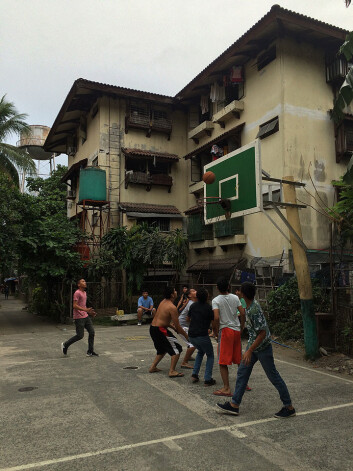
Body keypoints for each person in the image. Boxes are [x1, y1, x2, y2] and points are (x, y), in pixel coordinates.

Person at [216, 282, 296, 418]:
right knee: (242, 372)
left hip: (262, 348)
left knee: (273, 376)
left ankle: (289, 407)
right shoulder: (249, 305)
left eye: (240, 291)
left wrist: (249, 350)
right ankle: (234, 405)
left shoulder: (254, 310)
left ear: (244, 294)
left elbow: (263, 333)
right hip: (253, 347)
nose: (238, 293)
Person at [212, 277, 246, 397]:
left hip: (225, 330)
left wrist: (215, 331)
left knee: (222, 361)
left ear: (217, 288)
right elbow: (242, 313)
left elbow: (216, 317)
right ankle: (244, 383)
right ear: (228, 287)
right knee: (238, 359)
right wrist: (241, 326)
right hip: (236, 330)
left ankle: (226, 388)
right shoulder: (235, 297)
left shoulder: (216, 300)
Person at [149, 285, 188, 378]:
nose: (176, 292)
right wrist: (187, 336)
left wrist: (173, 328)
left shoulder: (163, 302)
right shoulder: (172, 307)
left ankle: (153, 367)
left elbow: (163, 319)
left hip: (153, 328)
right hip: (160, 330)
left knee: (162, 349)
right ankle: (172, 371)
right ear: (172, 295)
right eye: (174, 291)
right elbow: (178, 326)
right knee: (177, 349)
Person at [61, 279, 98, 357]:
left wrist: (90, 312)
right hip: (78, 317)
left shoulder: (84, 293)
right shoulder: (77, 293)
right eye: (83, 281)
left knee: (92, 332)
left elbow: (83, 306)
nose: (85, 282)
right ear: (79, 284)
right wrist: (85, 310)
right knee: (80, 335)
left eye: (85, 281)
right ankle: (65, 344)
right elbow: (74, 305)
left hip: (85, 316)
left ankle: (90, 351)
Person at [187, 287, 216, 386]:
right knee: (210, 355)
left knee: (200, 351)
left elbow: (188, 319)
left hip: (191, 335)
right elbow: (214, 322)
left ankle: (195, 374)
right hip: (202, 335)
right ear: (207, 297)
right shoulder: (208, 307)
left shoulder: (193, 306)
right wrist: (215, 332)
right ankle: (208, 379)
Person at [178, 289, 196, 369]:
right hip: (182, 326)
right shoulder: (191, 304)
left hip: (185, 325)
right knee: (193, 343)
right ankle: (184, 362)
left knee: (192, 341)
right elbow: (190, 318)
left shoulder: (193, 303)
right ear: (189, 295)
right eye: (193, 291)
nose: (195, 291)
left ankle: (188, 356)